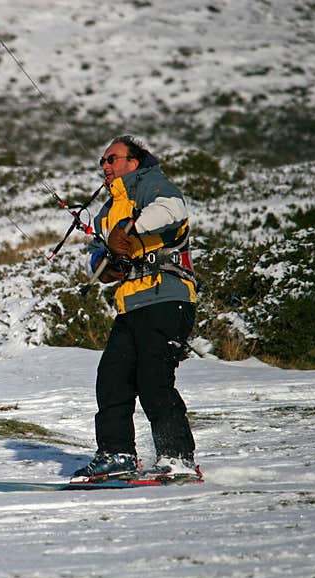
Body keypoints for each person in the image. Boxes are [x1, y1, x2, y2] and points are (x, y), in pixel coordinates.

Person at [72, 135, 199, 481]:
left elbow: (172, 210)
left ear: (134, 161)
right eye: (102, 161)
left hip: (168, 297)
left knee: (154, 380)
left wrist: (128, 229)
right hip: (130, 304)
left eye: (112, 159)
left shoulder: (152, 184)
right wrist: (105, 264)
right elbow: (98, 259)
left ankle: (177, 458)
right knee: (112, 379)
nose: (105, 166)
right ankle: (117, 454)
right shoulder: (109, 207)